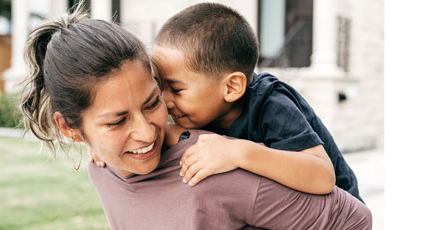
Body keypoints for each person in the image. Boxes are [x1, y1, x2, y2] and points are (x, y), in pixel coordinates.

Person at [17, 11, 371, 229]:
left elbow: (331, 189)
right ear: (71, 129)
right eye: (116, 121)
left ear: (231, 87)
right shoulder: (106, 169)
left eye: (154, 100)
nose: (148, 130)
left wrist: (238, 153)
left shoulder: (266, 110)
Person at [149, 3, 360, 200]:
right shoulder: (203, 112)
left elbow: (322, 176)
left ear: (231, 87)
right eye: (160, 87)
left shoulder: (271, 104)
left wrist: (238, 152)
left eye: (176, 89)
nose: (165, 100)